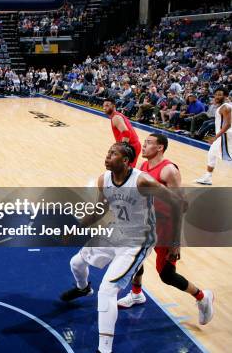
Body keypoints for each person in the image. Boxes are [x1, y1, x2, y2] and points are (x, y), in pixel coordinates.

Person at [60, 142, 184, 353]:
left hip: (138, 240)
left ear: (125, 161)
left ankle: (104, 349)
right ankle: (84, 288)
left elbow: (177, 203)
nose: (107, 156)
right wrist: (76, 228)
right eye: (107, 152)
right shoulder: (104, 179)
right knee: (76, 263)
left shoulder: (142, 181)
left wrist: (174, 242)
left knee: (108, 290)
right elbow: (100, 209)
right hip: (115, 232)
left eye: (113, 153)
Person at [117, 133, 214, 325]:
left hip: (167, 228)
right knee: (136, 258)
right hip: (147, 224)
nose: (143, 146)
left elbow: (179, 205)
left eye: (148, 143)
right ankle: (136, 294)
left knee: (166, 275)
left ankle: (203, 297)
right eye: (144, 143)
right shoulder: (144, 166)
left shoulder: (169, 170)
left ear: (160, 148)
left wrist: (175, 243)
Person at [195, 87, 231, 185]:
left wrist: (216, 136)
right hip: (223, 135)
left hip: (225, 135)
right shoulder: (223, 106)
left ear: (226, 96)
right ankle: (208, 177)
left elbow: (228, 125)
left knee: (228, 158)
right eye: (216, 94)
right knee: (212, 154)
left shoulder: (226, 107)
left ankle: (208, 177)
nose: (217, 96)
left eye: (220, 94)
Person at [103, 98, 141, 168]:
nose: (104, 108)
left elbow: (126, 133)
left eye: (107, 105)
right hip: (133, 145)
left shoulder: (116, 117)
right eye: (104, 106)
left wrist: (122, 150)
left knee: (125, 170)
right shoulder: (117, 115)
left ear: (114, 106)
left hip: (131, 146)